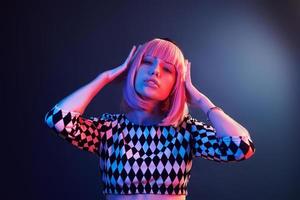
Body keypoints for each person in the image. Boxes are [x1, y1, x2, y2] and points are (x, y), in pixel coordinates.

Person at [44, 38, 255, 200]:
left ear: (177, 84)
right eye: (146, 62)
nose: (155, 72)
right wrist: (105, 78)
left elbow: (241, 147)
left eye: (167, 69)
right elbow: (58, 120)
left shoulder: (186, 131)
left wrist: (200, 99)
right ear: (133, 69)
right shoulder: (109, 129)